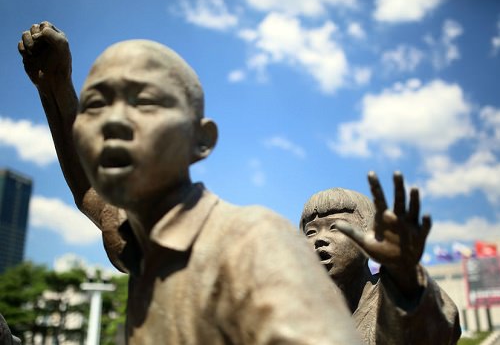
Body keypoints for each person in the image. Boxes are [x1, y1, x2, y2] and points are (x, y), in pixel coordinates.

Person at [19, 22, 361, 344]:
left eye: (144, 102)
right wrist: (55, 88)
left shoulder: (254, 242)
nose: (113, 122)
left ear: (202, 140)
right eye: (95, 105)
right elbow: (90, 191)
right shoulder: (138, 240)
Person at [300, 172, 462, 344]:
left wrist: (402, 273)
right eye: (311, 232)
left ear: (370, 233)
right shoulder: (310, 316)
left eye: (335, 227)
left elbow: (435, 330)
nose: (319, 239)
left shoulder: (393, 295)